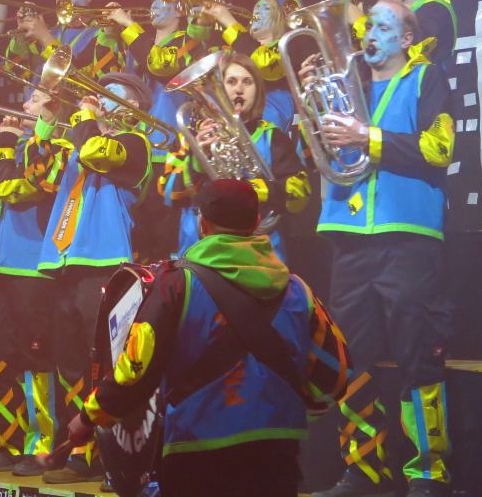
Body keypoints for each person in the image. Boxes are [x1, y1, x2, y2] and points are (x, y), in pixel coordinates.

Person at [65, 179, 350, 497]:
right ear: (257, 221)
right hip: (277, 453)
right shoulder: (298, 289)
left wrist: (89, 417)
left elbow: (135, 369)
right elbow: (337, 372)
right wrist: (294, 406)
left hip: (195, 451)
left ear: (202, 223)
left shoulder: (175, 285)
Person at [305, 0, 454, 497]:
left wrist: (365, 136)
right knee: (351, 360)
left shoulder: (426, 77)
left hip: (408, 236)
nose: (369, 34)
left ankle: (428, 473)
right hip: (348, 237)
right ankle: (363, 470)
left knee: (418, 355)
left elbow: (439, 148)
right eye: (368, 26)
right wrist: (313, 113)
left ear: (407, 38)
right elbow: (316, 154)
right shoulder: (349, 87)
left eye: (383, 27)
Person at [27, 72, 153, 484]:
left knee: (105, 363)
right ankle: (77, 451)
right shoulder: (79, 139)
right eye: (100, 94)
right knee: (69, 362)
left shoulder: (135, 143)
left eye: (112, 95)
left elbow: (98, 152)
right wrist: (46, 124)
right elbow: (39, 177)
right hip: (64, 263)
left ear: (134, 106)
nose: (101, 99)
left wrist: (85, 116)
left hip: (104, 261)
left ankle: (111, 456)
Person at [0, 91, 62, 476]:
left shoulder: (53, 147)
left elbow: (17, 188)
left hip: (33, 269)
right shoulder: (15, 148)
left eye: (35, 99)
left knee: (35, 360)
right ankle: (8, 441)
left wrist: (7, 145)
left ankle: (41, 446)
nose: (24, 105)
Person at [159, 51, 311, 261]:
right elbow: (168, 194)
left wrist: (252, 190)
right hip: (200, 251)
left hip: (258, 254)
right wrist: (198, 160)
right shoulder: (189, 138)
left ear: (258, 91)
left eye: (248, 82)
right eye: (231, 81)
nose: (239, 89)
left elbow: (300, 193)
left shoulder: (272, 137)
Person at [105, 0, 216, 261]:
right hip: (137, 149)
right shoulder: (137, 45)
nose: (153, 4)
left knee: (164, 238)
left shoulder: (188, 42)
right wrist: (111, 34)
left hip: (167, 152)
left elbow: (159, 64)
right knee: (137, 238)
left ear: (181, 10)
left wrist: (127, 24)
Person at [201, 0, 303, 133]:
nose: (257, 12)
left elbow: (261, 62)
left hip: (272, 127)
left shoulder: (288, 45)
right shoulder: (239, 50)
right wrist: (203, 23)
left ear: (281, 17)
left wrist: (228, 21)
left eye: (266, 8)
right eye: (257, 7)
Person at [4, 0, 125, 86]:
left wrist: (46, 38)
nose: (61, 1)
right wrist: (20, 36)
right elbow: (16, 76)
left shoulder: (101, 35)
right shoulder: (50, 31)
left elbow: (84, 83)